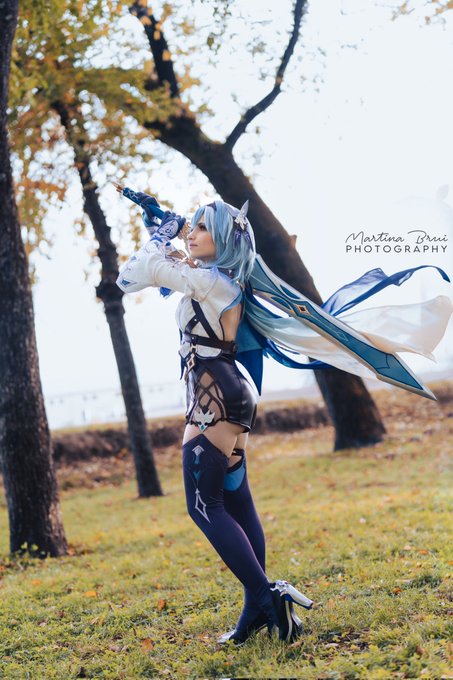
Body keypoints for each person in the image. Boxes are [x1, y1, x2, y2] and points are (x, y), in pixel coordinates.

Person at [116, 197, 314, 644]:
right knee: (236, 502)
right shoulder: (214, 279)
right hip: (226, 394)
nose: (193, 233)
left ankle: (268, 598)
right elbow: (140, 276)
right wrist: (163, 234)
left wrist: (163, 233)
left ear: (224, 238)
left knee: (204, 506)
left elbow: (130, 275)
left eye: (202, 228)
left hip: (215, 400)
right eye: (193, 225)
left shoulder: (209, 281)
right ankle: (256, 611)